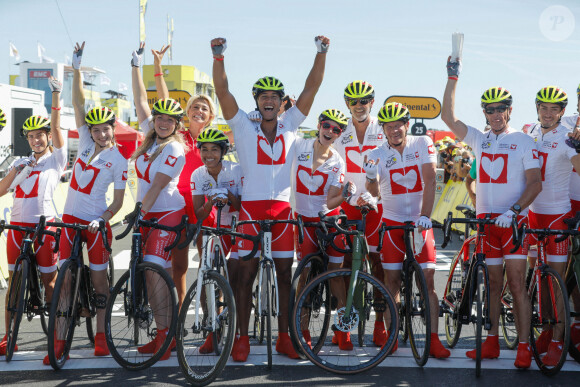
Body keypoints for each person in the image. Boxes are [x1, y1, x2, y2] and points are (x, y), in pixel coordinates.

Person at [211, 35, 328, 361]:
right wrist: (218, 58)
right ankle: (242, 338)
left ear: (281, 103)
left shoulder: (292, 122)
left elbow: (312, 87)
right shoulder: (243, 126)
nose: (268, 101)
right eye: (263, 97)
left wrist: (321, 53)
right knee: (245, 276)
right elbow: (222, 91)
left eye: (274, 97)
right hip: (250, 209)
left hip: (281, 210)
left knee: (283, 276)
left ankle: (285, 339)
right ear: (257, 101)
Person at [442, 56, 542, 369]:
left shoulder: (524, 141)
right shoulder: (479, 139)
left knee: (516, 284)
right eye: (490, 109)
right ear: (484, 113)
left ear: (510, 110)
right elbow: (447, 116)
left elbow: (535, 184)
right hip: (486, 224)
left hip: (512, 224)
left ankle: (524, 346)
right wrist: (452, 77)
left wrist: (514, 211)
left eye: (501, 109)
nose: (496, 114)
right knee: (493, 286)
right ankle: (492, 342)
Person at [43, 42, 128, 364]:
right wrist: (76, 69)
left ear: (112, 130)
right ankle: (61, 339)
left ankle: (103, 334)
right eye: (96, 130)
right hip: (68, 220)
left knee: (98, 279)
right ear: (90, 131)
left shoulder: (119, 159)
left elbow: (119, 201)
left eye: (106, 129)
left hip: (95, 223)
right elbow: (78, 103)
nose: (101, 134)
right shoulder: (85, 138)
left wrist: (103, 218)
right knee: (64, 281)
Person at [364, 102, 450, 358]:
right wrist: (370, 177)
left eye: (398, 126)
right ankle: (392, 337)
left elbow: (430, 178)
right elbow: (375, 194)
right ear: (384, 129)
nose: (394, 131)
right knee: (391, 283)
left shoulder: (422, 143)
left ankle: (433, 340)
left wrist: (425, 216)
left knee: (428, 283)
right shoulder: (376, 153)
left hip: (418, 222)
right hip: (391, 224)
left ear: (406, 125)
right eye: (389, 127)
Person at [0, 78, 66, 357]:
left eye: (41, 135)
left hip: (45, 226)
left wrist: (55, 95)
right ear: (26, 140)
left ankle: (57, 337)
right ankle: (8, 337)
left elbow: (57, 125)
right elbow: (2, 189)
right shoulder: (19, 162)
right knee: (14, 286)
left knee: (50, 284)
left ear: (48, 136)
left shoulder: (56, 159)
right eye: (31, 137)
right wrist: (18, 170)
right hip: (17, 228)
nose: (36, 140)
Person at [150, 45, 218, 308]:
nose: (199, 111)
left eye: (204, 108)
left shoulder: (216, 140)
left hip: (205, 206)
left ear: (211, 115)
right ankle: (177, 317)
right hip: (180, 206)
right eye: (194, 107)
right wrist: (158, 67)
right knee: (178, 266)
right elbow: (165, 101)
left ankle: (210, 316)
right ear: (187, 113)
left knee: (208, 265)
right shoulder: (179, 136)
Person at [131, 43, 187, 360]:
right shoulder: (150, 137)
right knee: (152, 276)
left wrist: (138, 213)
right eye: (159, 117)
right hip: (148, 215)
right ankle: (164, 334)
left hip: (166, 213)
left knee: (155, 271)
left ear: (176, 125)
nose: (163, 122)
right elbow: (141, 99)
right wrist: (136, 65)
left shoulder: (174, 149)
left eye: (170, 120)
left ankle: (167, 338)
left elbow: (155, 188)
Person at [525, 86, 580, 364]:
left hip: (557, 214)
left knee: (557, 283)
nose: (548, 113)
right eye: (543, 107)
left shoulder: (568, 138)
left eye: (554, 109)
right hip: (533, 215)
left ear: (562, 112)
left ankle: (559, 338)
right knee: (539, 278)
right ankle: (546, 330)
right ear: (537, 108)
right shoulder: (529, 133)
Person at [331, 80, 387, 346]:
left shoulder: (383, 128)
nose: (359, 105)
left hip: (377, 204)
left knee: (378, 264)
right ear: (346, 104)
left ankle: (379, 323)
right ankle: (344, 326)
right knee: (343, 265)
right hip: (347, 204)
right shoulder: (339, 129)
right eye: (353, 101)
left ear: (372, 102)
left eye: (364, 100)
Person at [294, 109, 353, 350]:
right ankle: (303, 329)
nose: (330, 131)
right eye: (327, 126)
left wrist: (345, 195)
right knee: (305, 276)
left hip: (328, 220)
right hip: (303, 220)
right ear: (319, 125)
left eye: (337, 129)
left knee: (336, 274)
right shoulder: (298, 147)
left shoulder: (337, 161)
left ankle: (343, 330)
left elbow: (330, 202)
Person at [190, 128, 242, 353]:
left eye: (214, 149)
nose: (208, 154)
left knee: (236, 275)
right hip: (212, 227)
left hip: (235, 226)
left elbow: (241, 206)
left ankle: (238, 329)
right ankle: (212, 330)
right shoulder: (197, 175)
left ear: (223, 152)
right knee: (206, 277)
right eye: (204, 149)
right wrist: (211, 201)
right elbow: (199, 214)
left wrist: (228, 195)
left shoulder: (235, 170)